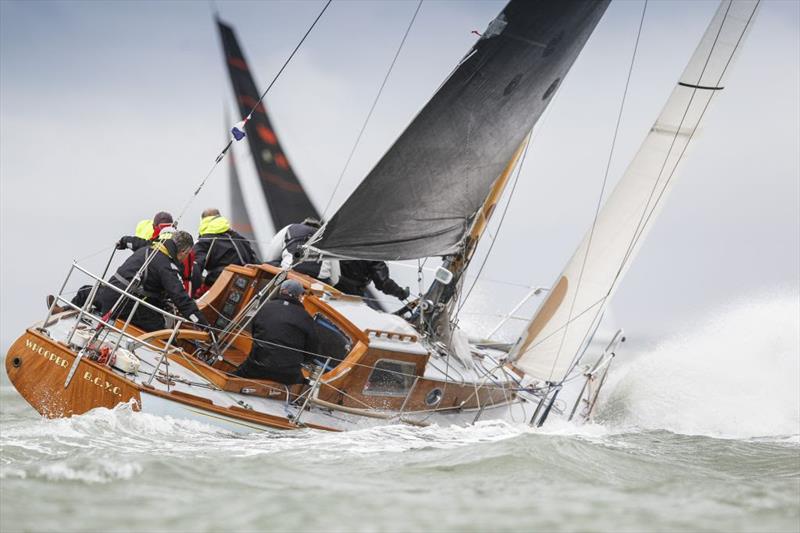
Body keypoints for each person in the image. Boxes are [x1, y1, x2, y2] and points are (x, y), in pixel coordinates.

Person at [95, 230, 209, 332]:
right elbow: (181, 299)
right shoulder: (167, 267)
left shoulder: (146, 249)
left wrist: (123, 242)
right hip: (124, 305)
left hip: (109, 294)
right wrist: (203, 324)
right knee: (166, 337)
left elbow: (132, 241)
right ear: (184, 252)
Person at [233, 280, 318, 384]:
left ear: (281, 291)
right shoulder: (306, 318)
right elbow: (312, 351)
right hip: (287, 375)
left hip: (255, 367)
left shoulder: (265, 307)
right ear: (299, 296)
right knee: (304, 386)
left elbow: (255, 333)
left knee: (231, 376)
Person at [191, 208, 259, 297]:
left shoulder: (204, 241)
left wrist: (191, 291)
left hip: (219, 285)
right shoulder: (240, 238)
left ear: (203, 221)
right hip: (247, 285)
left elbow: (195, 269)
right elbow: (256, 262)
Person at [262, 217, 340, 285]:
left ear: (302, 224)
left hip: (289, 272)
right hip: (318, 280)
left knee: (267, 264)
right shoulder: (329, 238)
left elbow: (270, 257)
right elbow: (335, 279)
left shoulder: (290, 228)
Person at [335, 260, 410, 302]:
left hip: (331, 282)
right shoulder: (374, 256)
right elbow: (383, 283)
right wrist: (401, 293)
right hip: (348, 291)